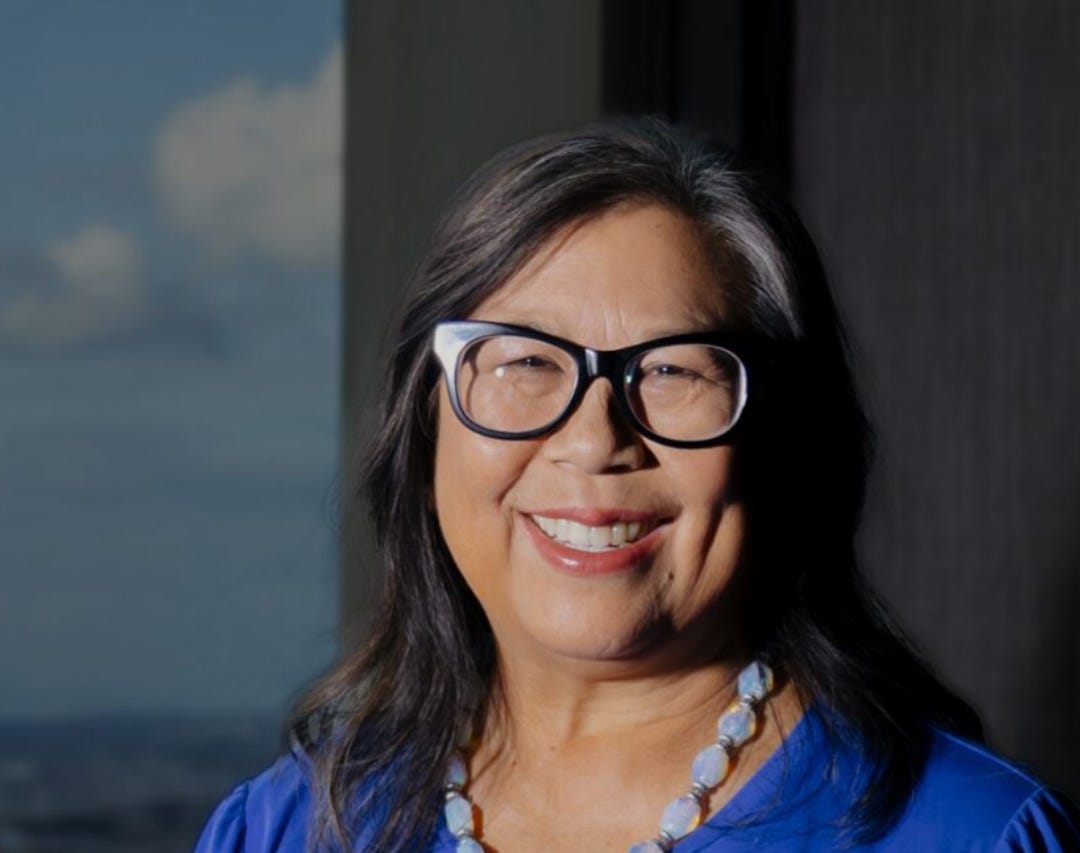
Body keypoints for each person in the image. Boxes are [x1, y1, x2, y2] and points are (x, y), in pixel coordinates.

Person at [196, 119, 1080, 852]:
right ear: (425, 429)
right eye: (525, 362)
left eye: (674, 371)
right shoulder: (290, 828)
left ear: (783, 440)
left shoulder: (968, 834)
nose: (594, 441)